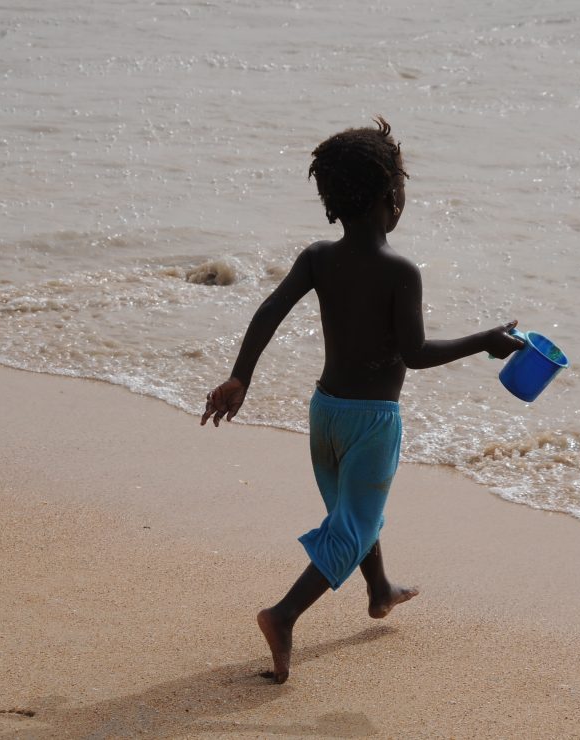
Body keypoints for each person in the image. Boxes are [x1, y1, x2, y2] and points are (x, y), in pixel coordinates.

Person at [200, 117, 523, 684]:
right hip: (374, 423)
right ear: (389, 198)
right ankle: (283, 615)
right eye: (400, 185)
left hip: (325, 413)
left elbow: (268, 312)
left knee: (349, 517)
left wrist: (240, 377)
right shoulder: (401, 271)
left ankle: (379, 589)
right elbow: (416, 354)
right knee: (351, 527)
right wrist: (486, 341)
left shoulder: (319, 257)